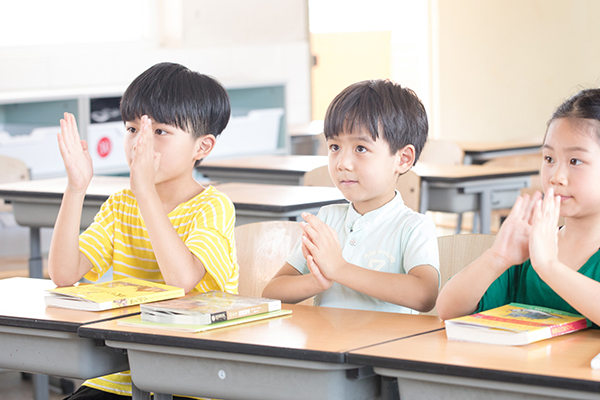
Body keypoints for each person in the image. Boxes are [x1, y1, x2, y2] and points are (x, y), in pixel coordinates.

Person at [48, 62, 239, 399]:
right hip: (123, 372)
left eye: (159, 132)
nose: (140, 143)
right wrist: (76, 188)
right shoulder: (122, 204)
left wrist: (146, 191)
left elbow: (182, 279)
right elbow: (64, 274)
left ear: (202, 147)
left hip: (193, 378)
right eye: (132, 129)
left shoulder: (212, 206)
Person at [262, 79, 439, 314]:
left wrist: (339, 269)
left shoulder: (413, 226)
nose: (343, 163)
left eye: (360, 148)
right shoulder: (327, 220)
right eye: (334, 147)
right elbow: (272, 292)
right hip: (326, 338)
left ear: (403, 159)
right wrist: (317, 281)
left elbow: (424, 295)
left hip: (387, 340)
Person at [436, 88, 600, 328]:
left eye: (575, 161)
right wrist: (497, 258)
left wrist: (549, 267)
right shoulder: (532, 246)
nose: (556, 176)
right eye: (549, 159)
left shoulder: (543, 257)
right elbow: (448, 309)